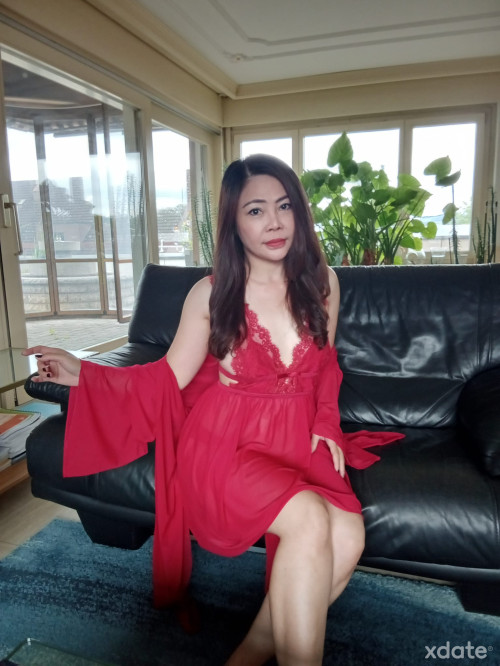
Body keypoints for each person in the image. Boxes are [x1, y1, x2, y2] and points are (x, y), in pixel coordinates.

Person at [24, 154, 402, 666]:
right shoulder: (211, 292)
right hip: (227, 445)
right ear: (233, 223)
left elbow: (325, 366)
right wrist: (84, 372)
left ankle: (245, 656)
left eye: (284, 206)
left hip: (297, 438)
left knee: (349, 536)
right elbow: (166, 377)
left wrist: (326, 424)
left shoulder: (323, 282)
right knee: (310, 521)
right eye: (255, 210)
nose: (274, 222)